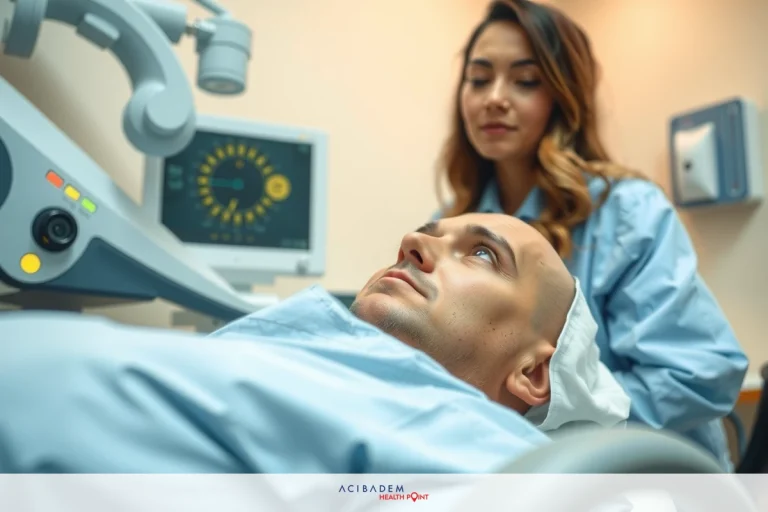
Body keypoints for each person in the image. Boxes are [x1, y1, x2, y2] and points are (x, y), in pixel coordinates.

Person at [0, 213, 629, 473]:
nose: (414, 241)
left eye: (484, 255)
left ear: (533, 375)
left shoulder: (501, 468)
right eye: (431, 231)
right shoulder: (305, 360)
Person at [432, 0, 748, 469]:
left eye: (525, 80)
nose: (494, 97)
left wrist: (539, 414)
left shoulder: (626, 211)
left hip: (644, 477)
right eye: (479, 79)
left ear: (563, 96)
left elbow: (699, 375)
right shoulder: (452, 223)